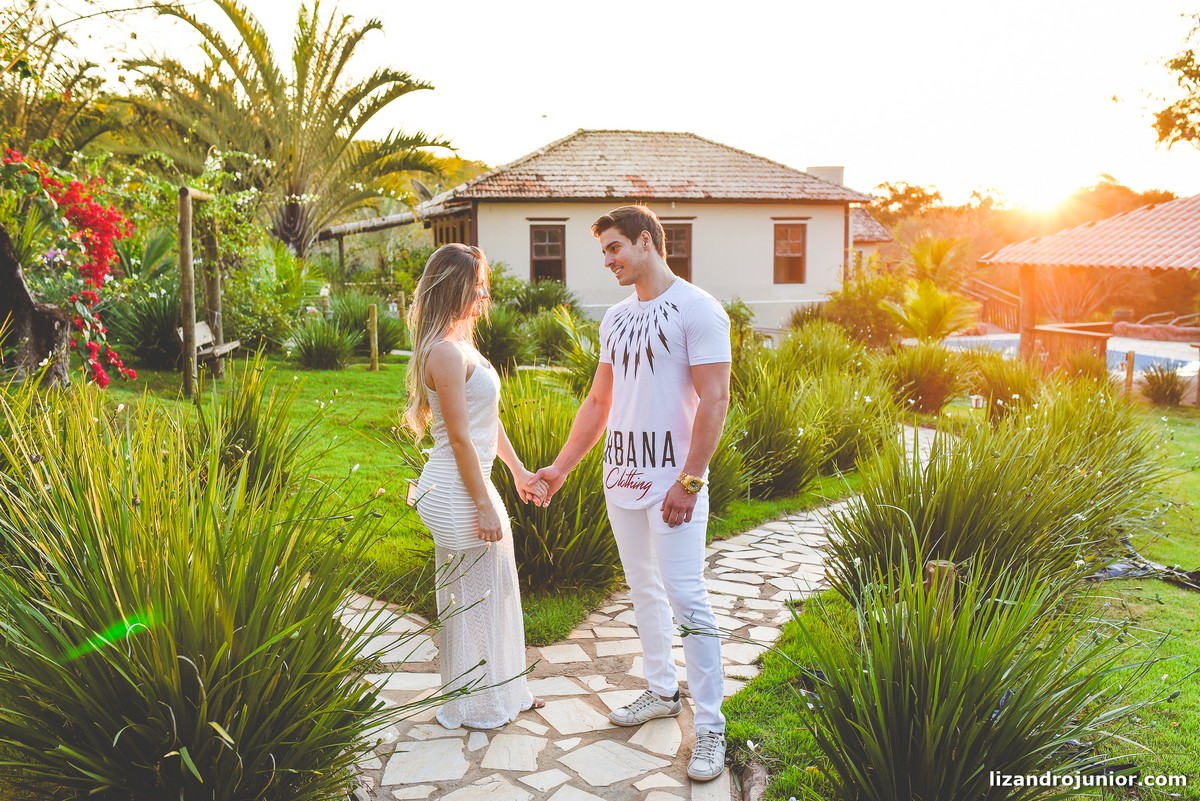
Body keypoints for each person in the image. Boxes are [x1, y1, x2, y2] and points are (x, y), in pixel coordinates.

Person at [533, 206, 732, 782]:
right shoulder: (615, 319)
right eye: (604, 251)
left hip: (674, 484)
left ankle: (711, 724)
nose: (608, 260)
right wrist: (561, 467)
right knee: (643, 590)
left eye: (615, 247)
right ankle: (662, 691)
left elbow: (715, 399)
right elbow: (600, 402)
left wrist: (690, 480)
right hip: (621, 478)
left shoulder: (699, 309)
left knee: (687, 598)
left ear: (647, 241)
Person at [403, 243, 547, 730]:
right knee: (474, 598)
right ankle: (473, 703)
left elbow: (488, 423)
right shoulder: (444, 353)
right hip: (455, 489)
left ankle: (504, 691)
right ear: (454, 289)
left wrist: (519, 472)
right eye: (477, 288)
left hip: (474, 483)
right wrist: (484, 505)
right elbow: (461, 439)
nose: (484, 296)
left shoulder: (462, 346)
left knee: (494, 591)